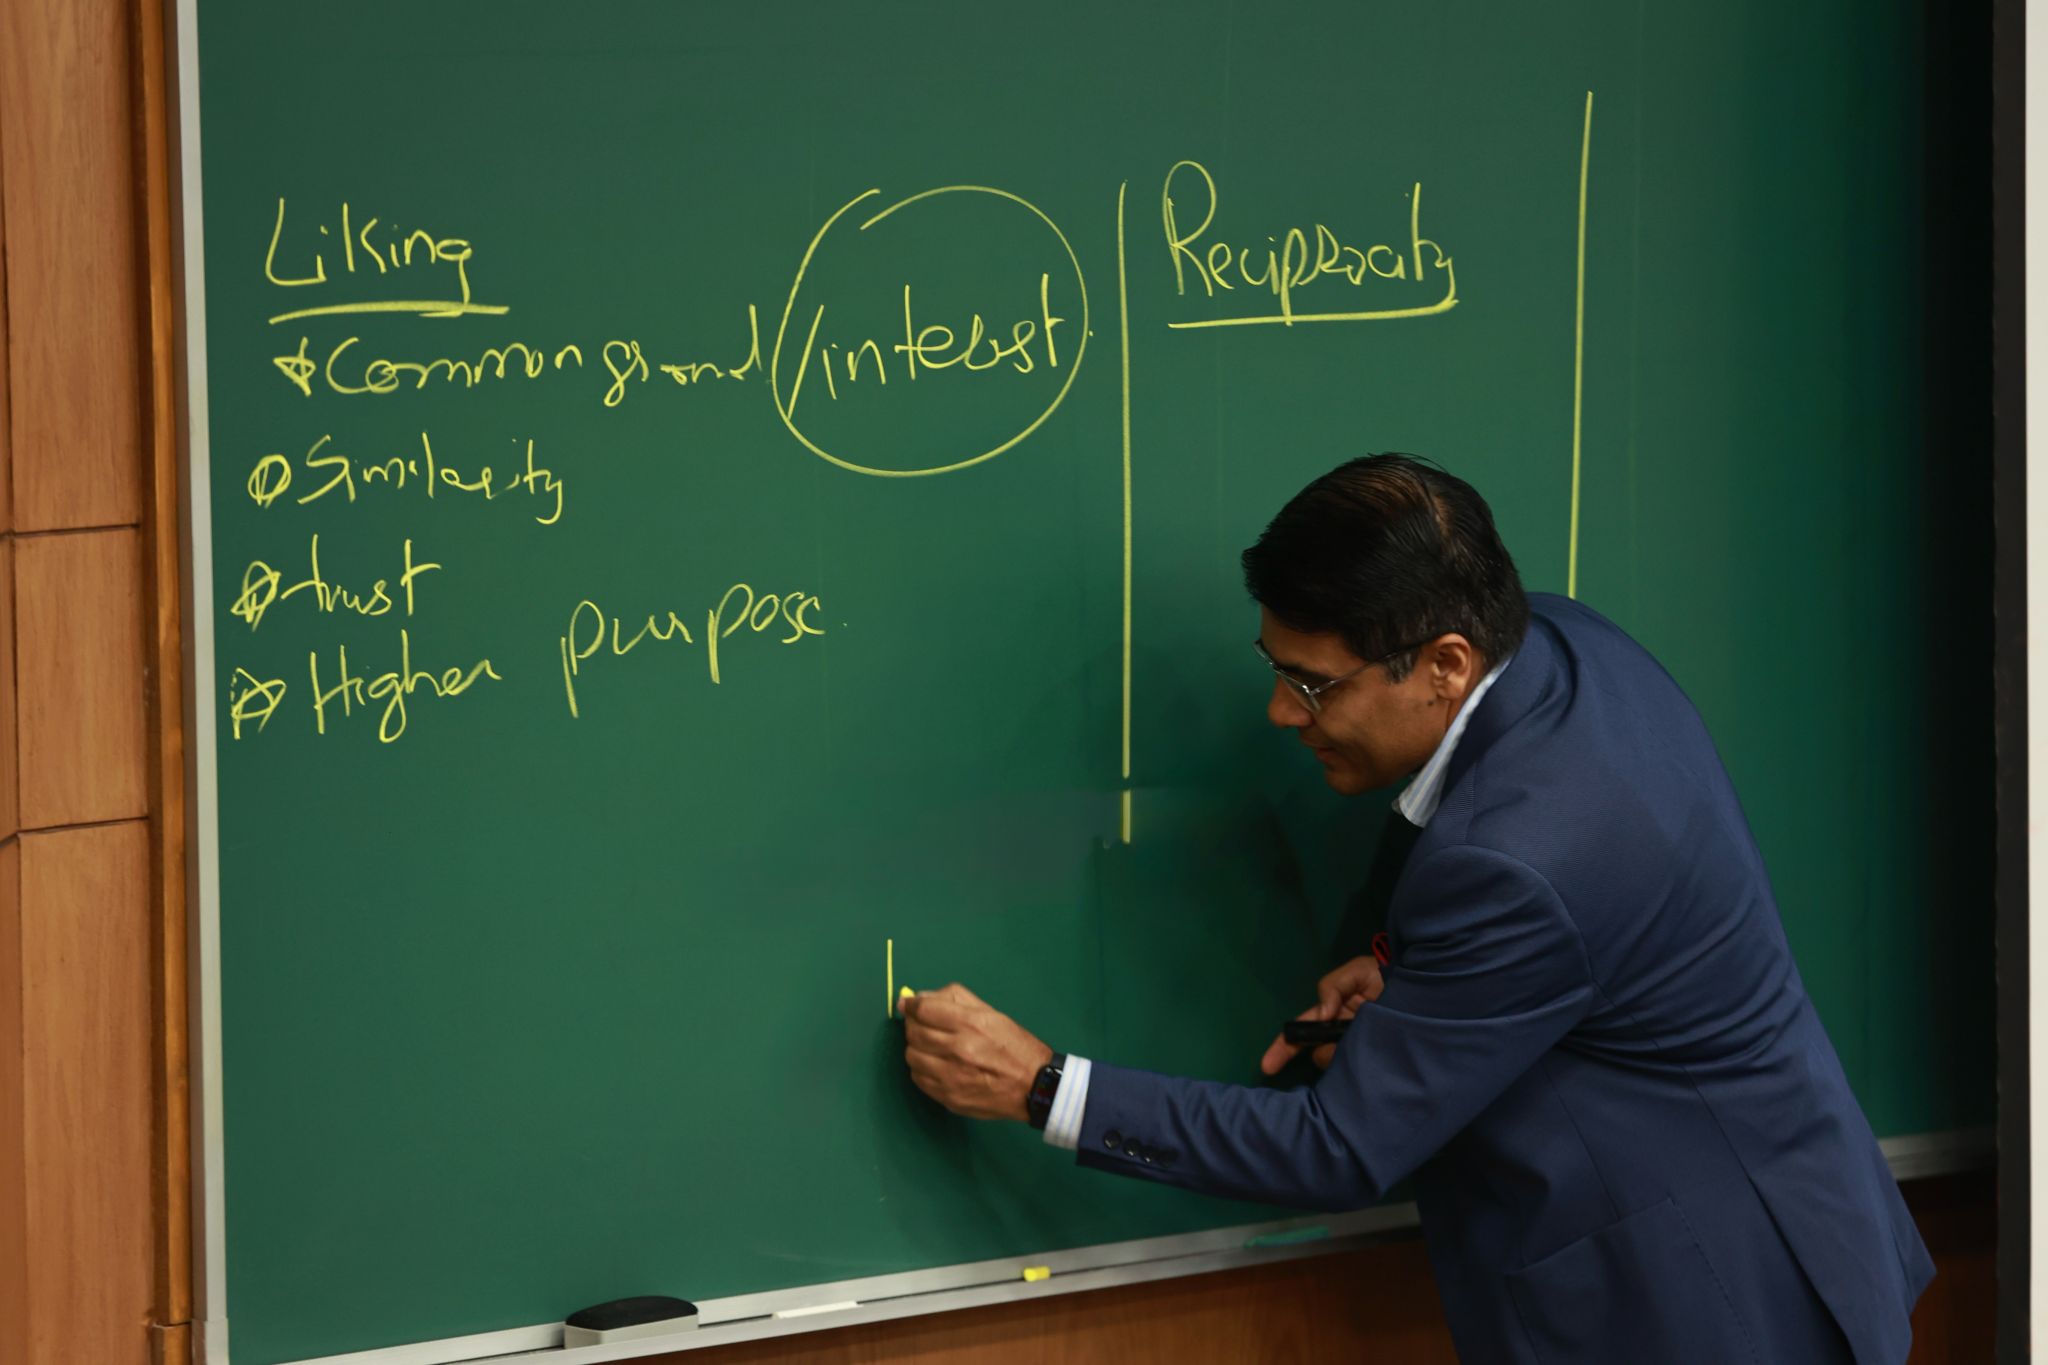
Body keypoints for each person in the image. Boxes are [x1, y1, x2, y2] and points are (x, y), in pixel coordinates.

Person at [901, 454, 1932, 1364]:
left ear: (1444, 664)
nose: (1279, 712)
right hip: (1788, 1208)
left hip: (1708, 1302)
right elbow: (1534, 904)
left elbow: (1337, 1148)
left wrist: (1043, 1087)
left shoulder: (1522, 860)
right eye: (1275, 671)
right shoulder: (1559, 643)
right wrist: (1397, 956)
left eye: (1311, 686)